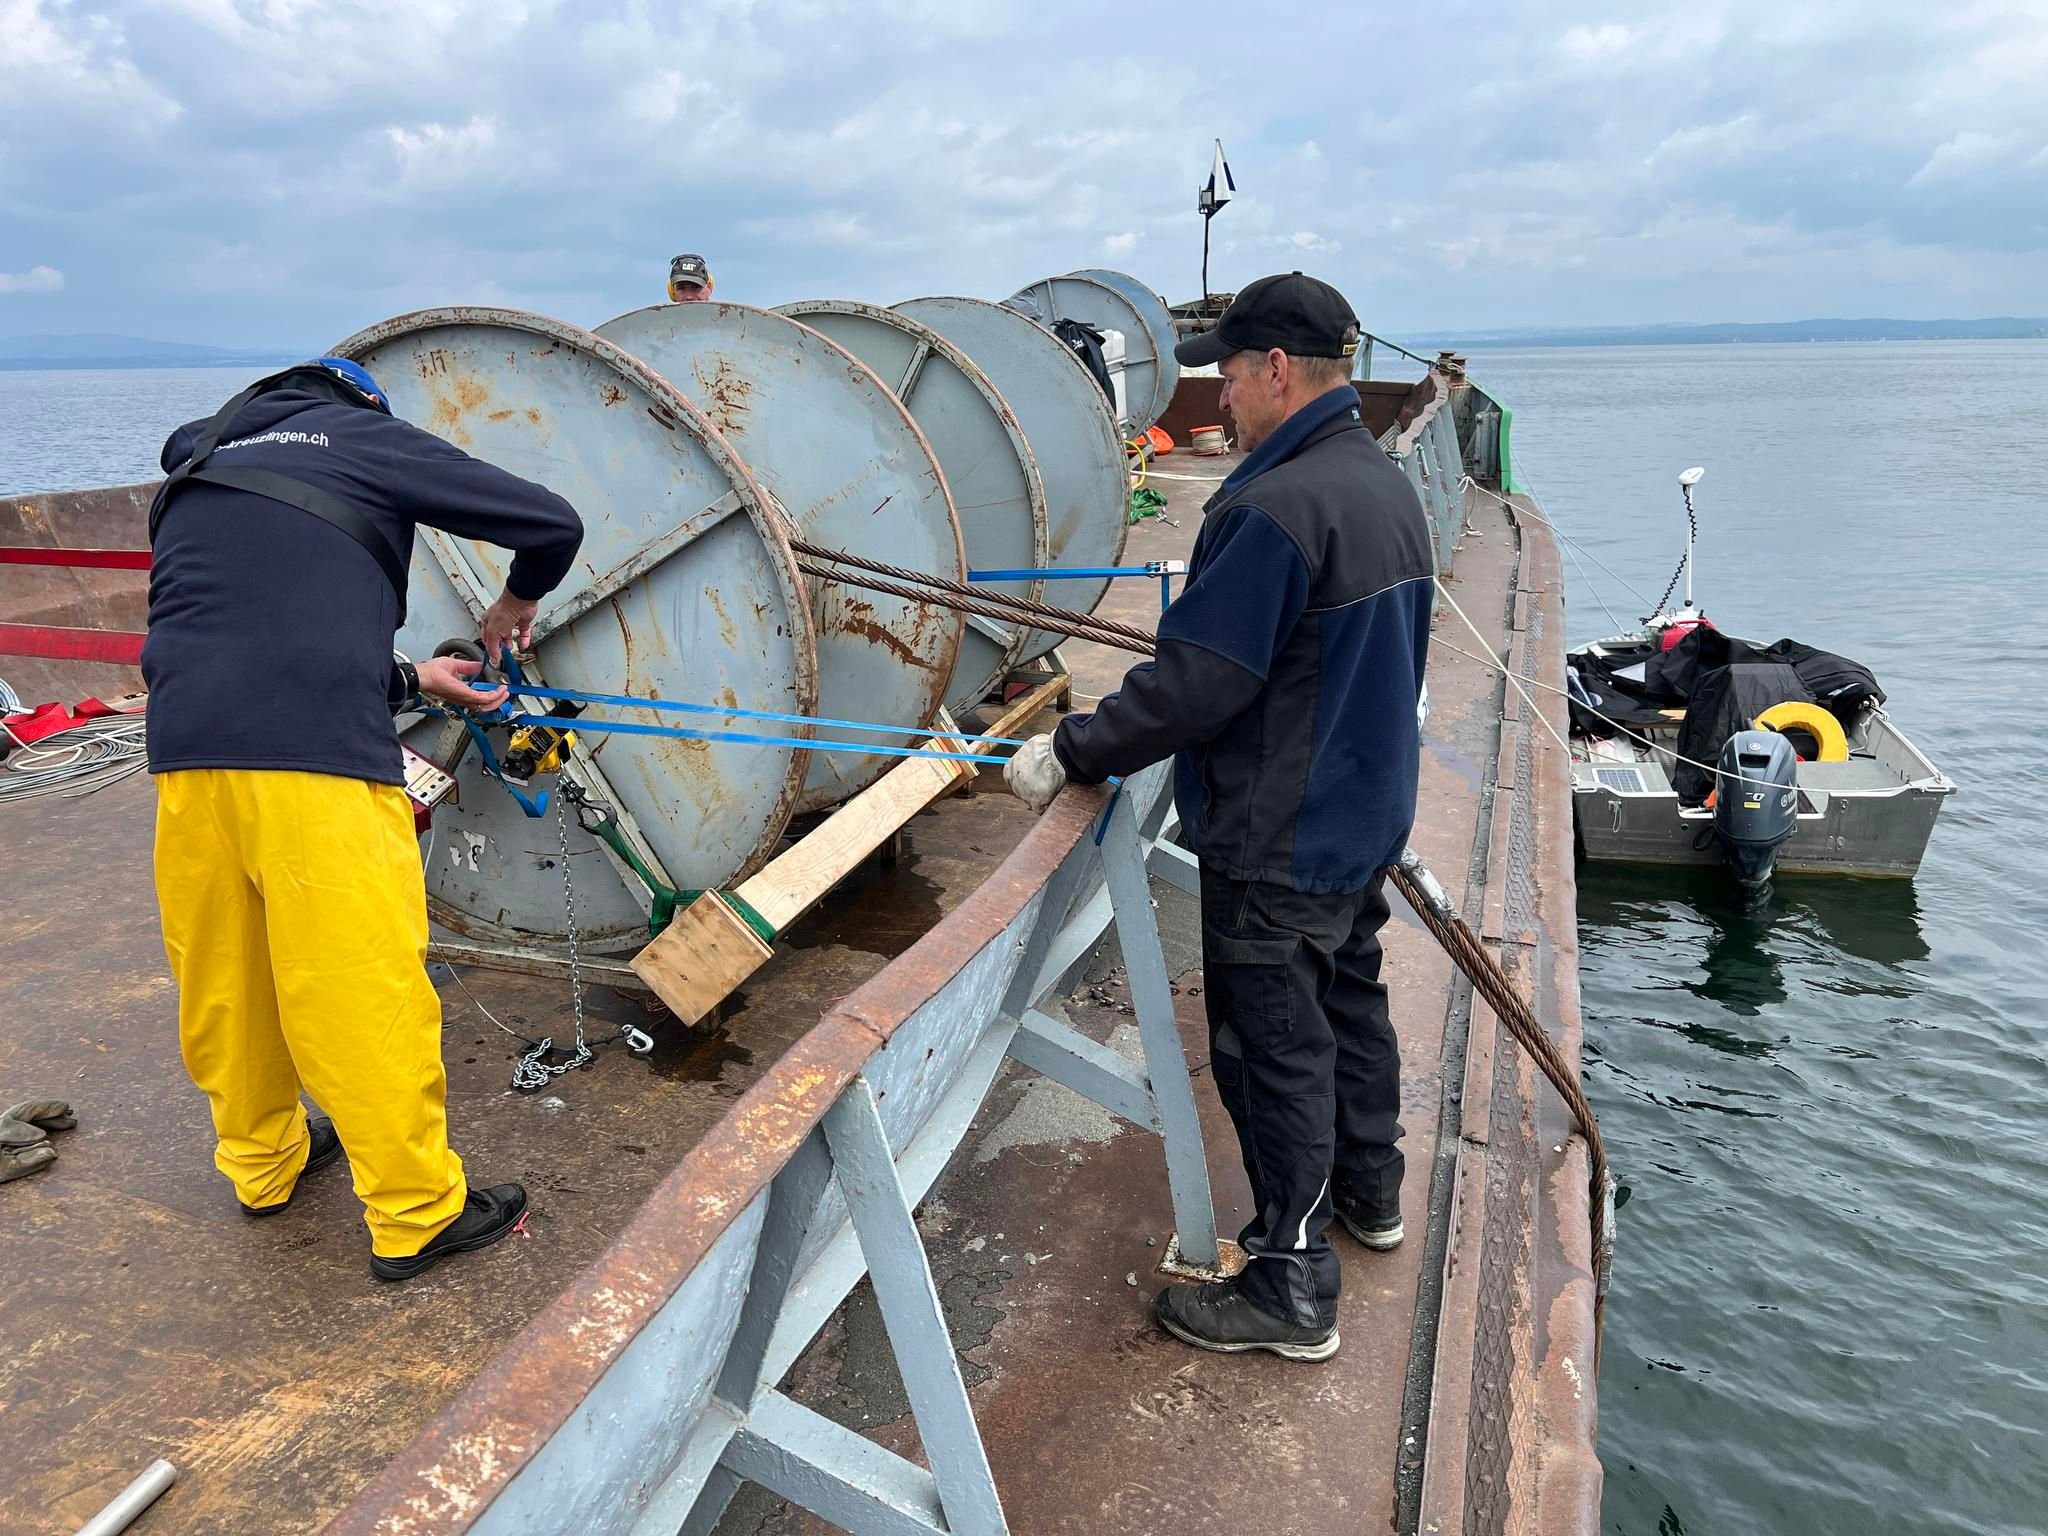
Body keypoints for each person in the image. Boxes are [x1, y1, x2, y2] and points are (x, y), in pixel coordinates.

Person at [1004, 273, 1434, 1361]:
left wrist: (1069, 746)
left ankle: (1289, 1283)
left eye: (1232, 380)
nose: (1220, 407)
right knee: (1347, 1009)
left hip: (1279, 836)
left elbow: (1198, 684)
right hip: (1359, 813)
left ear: (1275, 371)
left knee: (1269, 1052)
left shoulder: (1271, 505)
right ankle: (1367, 1193)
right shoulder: (1380, 485)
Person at [145, 356, 586, 1282]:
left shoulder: (200, 466)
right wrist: (515, 598)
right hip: (314, 765)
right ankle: (418, 1214)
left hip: (187, 756)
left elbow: (260, 624)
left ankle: (262, 1165)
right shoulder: (361, 436)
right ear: (358, 404)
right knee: (358, 986)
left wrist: (413, 679)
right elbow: (553, 523)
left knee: (231, 976)